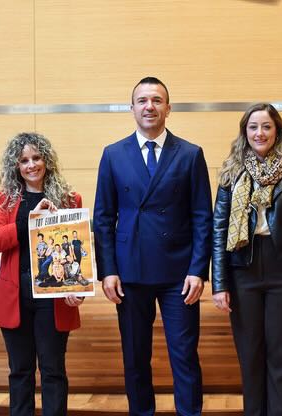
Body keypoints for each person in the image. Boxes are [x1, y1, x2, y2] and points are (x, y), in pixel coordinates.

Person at [93, 76, 212, 416]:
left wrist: (198, 270)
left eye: (157, 100)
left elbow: (202, 217)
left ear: (168, 108)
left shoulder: (190, 154)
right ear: (132, 108)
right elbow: (103, 218)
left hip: (179, 274)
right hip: (129, 272)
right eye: (142, 100)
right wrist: (108, 271)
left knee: (184, 356)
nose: (149, 106)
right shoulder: (113, 155)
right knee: (135, 357)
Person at [211, 103, 282, 415]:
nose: (260, 133)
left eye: (267, 126)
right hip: (242, 269)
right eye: (253, 127)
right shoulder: (231, 172)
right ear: (245, 132)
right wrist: (219, 284)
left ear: (277, 131)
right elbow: (219, 230)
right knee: (251, 357)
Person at [0, 132, 84, 415]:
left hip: (53, 299)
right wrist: (30, 220)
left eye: (37, 158)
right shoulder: (6, 200)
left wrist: (77, 289)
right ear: (16, 166)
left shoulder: (69, 199)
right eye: (24, 160)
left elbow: (77, 251)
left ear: (47, 160)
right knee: (20, 371)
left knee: (53, 370)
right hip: (16, 297)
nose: (31, 165)